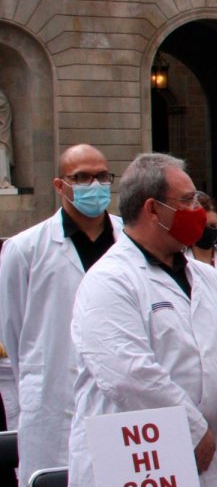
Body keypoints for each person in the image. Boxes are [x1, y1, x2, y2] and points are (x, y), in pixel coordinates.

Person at [68, 153, 217, 487]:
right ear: (152, 209)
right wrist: (191, 430)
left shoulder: (209, 278)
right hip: (137, 453)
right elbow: (129, 374)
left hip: (204, 454)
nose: (199, 212)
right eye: (188, 201)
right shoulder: (110, 280)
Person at [0, 145, 123, 485]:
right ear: (59, 185)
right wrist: (40, 374)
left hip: (120, 392)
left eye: (101, 176)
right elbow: (13, 329)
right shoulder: (25, 248)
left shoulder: (130, 239)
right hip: (54, 394)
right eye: (81, 177)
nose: (93, 184)